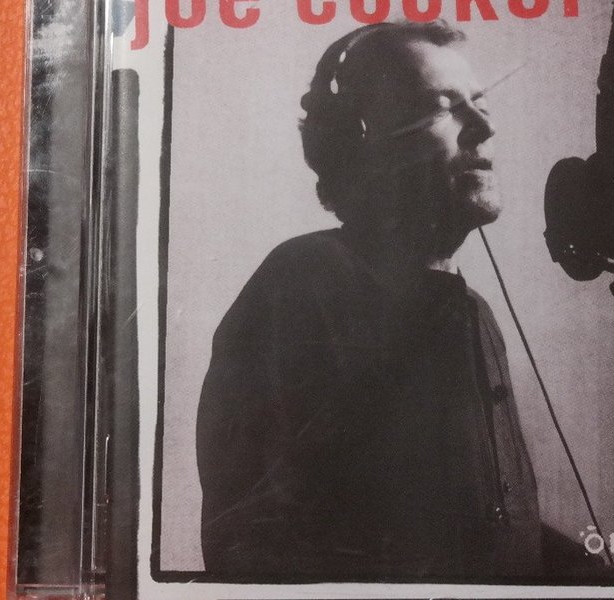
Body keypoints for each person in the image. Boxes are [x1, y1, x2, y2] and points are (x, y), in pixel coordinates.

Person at [196, 20, 542, 581]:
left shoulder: (474, 312)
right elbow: (250, 538)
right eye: (442, 108)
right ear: (359, 145)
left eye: (480, 104)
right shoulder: (304, 283)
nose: (484, 126)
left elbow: (493, 530)